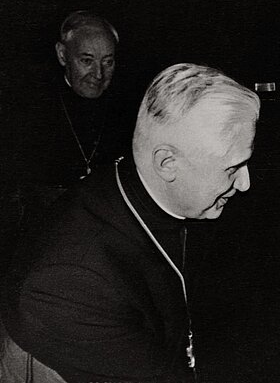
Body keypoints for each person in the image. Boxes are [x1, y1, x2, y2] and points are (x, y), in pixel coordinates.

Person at [0, 63, 260, 382]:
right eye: (233, 167)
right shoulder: (71, 284)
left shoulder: (155, 194)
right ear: (167, 163)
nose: (245, 183)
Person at [18, 10, 127, 210]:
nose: (99, 74)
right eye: (87, 61)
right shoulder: (31, 106)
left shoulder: (126, 106)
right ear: (62, 55)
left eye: (108, 62)